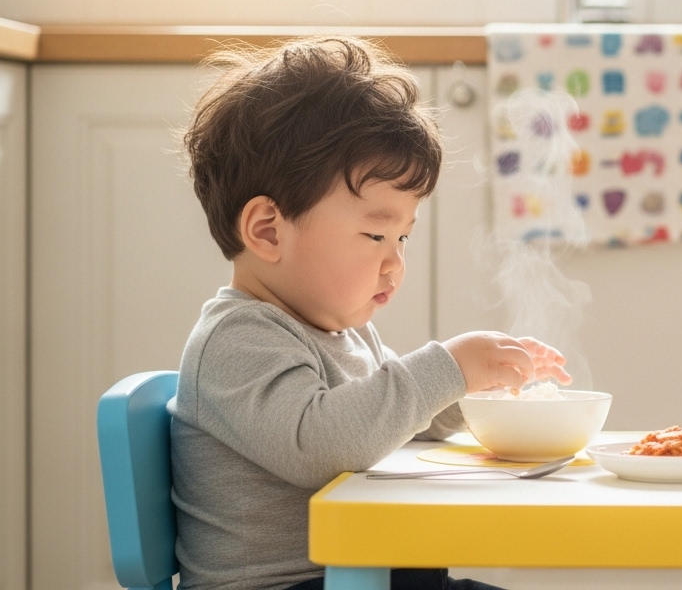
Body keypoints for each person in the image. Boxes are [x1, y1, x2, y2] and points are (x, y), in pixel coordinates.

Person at [172, 36, 568, 590]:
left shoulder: (340, 334)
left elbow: (388, 424)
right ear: (267, 230)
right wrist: (448, 368)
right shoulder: (237, 340)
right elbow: (327, 445)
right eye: (376, 233)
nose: (395, 262)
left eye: (403, 236)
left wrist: (470, 395)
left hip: (363, 574)